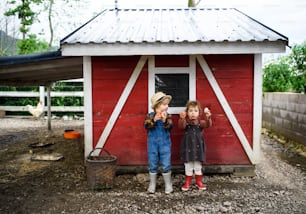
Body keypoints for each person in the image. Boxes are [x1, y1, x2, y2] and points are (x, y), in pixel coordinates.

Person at [178, 100, 212, 191]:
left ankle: (199, 182)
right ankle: (188, 182)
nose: (193, 113)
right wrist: (182, 118)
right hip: (188, 147)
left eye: (195, 111)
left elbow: (208, 125)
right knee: (188, 165)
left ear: (199, 113)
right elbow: (181, 126)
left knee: (197, 166)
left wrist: (208, 118)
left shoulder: (200, 123)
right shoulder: (186, 123)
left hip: (198, 147)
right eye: (191, 111)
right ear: (187, 112)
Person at [144, 92, 174, 194]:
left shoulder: (168, 116)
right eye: (164, 104)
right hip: (152, 144)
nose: (167, 106)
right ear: (157, 106)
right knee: (153, 163)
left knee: (166, 163)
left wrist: (165, 121)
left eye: (167, 104)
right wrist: (154, 120)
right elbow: (146, 126)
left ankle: (168, 184)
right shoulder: (150, 116)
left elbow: (170, 127)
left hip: (165, 143)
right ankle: (152, 184)